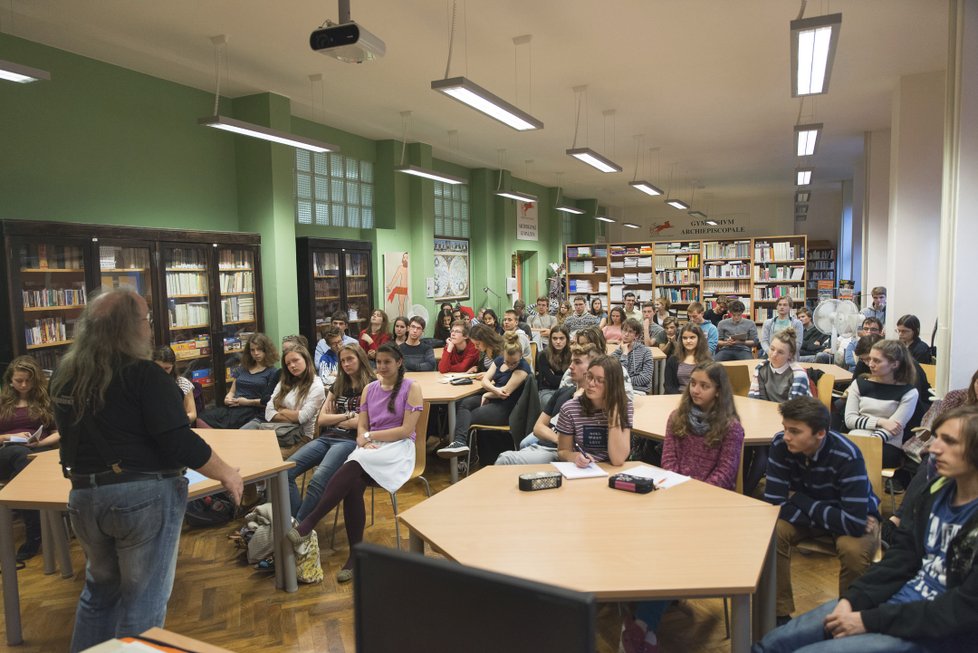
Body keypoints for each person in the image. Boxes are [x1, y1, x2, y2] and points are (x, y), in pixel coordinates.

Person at [50, 288, 242, 652]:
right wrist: (227, 473)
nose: (150, 328)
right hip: (142, 498)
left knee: (98, 593)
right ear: (127, 328)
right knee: (144, 601)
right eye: (145, 320)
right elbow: (180, 441)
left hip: (83, 497)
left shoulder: (64, 375)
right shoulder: (144, 375)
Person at [754, 405, 978, 653]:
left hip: (936, 630)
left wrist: (867, 620)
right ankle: (781, 613)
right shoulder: (936, 491)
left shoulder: (847, 455)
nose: (932, 448)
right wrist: (853, 600)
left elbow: (962, 609)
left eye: (948, 441)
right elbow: (901, 558)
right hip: (894, 603)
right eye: (936, 438)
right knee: (771, 644)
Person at [626, 360, 743, 652]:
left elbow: (725, 476)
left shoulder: (731, 428)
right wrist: (678, 492)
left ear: (718, 391)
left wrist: (692, 496)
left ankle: (643, 625)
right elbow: (668, 462)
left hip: (710, 509)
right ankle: (640, 622)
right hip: (673, 499)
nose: (696, 390)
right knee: (635, 536)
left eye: (704, 385)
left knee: (669, 549)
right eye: (693, 384)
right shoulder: (676, 417)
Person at [288, 343, 424, 583]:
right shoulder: (370, 389)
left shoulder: (412, 387)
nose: (381, 367)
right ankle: (355, 555)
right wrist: (362, 436)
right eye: (379, 362)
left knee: (352, 468)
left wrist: (369, 436)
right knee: (352, 484)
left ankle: (309, 523)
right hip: (372, 446)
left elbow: (405, 431)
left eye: (387, 362)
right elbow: (363, 423)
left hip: (398, 449)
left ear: (399, 362)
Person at [762, 396, 880, 627]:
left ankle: (847, 618)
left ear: (820, 433)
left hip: (846, 516)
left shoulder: (847, 455)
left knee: (854, 552)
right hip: (835, 515)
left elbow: (855, 524)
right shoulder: (780, 445)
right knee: (771, 532)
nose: (786, 436)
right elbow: (774, 503)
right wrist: (834, 517)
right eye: (785, 428)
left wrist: (799, 499)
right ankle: (779, 615)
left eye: (795, 431)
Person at [286, 344, 374, 520]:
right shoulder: (339, 383)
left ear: (360, 359)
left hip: (350, 441)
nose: (346, 364)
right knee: (285, 472)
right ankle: (296, 522)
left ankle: (299, 528)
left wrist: (339, 417)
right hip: (328, 436)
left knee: (318, 480)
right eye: (342, 361)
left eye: (350, 359)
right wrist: (348, 416)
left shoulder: (372, 385)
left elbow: (367, 422)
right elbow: (322, 420)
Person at [0, 355, 60, 562]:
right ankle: (37, 531)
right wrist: (8, 436)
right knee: (20, 454)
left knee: (27, 458)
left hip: (38, 451)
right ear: (10, 380)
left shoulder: (45, 401)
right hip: (6, 452)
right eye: (19, 380)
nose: (24, 385)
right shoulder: (2, 402)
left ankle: (34, 533)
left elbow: (58, 432)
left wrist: (40, 443)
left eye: (28, 380)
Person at [497, 342, 594, 466]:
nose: (571, 367)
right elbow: (538, 428)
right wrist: (560, 440)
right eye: (571, 362)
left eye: (577, 362)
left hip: (558, 452)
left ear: (592, 368)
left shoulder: (593, 399)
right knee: (509, 457)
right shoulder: (562, 393)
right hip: (546, 446)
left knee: (505, 459)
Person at [438, 332, 530, 460]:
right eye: (507, 362)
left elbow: (505, 393)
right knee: (465, 403)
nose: (510, 366)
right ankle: (459, 443)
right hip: (494, 399)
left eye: (513, 363)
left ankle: (466, 455)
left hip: (508, 408)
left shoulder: (523, 367)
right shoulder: (498, 360)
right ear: (503, 354)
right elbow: (485, 380)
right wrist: (493, 391)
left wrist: (488, 393)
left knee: (469, 416)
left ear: (520, 356)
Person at [745, 327, 812, 494]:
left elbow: (793, 410)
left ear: (790, 355)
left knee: (762, 452)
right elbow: (753, 399)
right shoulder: (761, 368)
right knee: (743, 444)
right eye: (772, 349)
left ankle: (746, 492)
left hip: (794, 424)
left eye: (780, 352)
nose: (774, 354)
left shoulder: (797, 374)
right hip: (765, 421)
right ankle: (739, 487)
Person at [844, 339, 919, 474]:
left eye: (877, 361)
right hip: (857, 438)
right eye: (870, 359)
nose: (870, 364)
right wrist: (881, 421)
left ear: (895, 364)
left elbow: (894, 428)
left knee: (855, 457)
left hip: (887, 443)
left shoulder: (909, 392)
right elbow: (849, 420)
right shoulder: (859, 384)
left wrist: (870, 443)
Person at [556, 355, 632, 467]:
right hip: (583, 470)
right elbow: (562, 452)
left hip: (612, 470)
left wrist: (614, 413)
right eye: (589, 377)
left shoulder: (624, 407)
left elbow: (618, 460)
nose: (591, 384)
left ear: (613, 385)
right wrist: (575, 457)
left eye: (600, 380)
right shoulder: (569, 409)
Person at [243, 345, 326, 443]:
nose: (292, 366)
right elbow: (268, 412)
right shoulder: (284, 382)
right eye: (288, 364)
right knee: (242, 442)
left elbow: (302, 418)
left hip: (301, 436)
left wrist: (280, 409)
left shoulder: (316, 385)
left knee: (260, 453)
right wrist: (293, 416)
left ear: (306, 360)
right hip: (277, 429)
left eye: (296, 360)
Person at [198, 333, 279, 428]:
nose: (256, 353)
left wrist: (247, 402)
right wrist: (228, 398)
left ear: (267, 351)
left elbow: (269, 402)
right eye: (252, 350)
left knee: (229, 424)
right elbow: (232, 391)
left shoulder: (272, 372)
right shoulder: (243, 368)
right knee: (202, 417)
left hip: (252, 409)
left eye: (259, 349)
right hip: (233, 407)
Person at [151, 345, 197, 424]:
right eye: (158, 367)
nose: (162, 372)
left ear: (173, 366)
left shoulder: (182, 383)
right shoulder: (147, 384)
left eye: (167, 368)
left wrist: (175, 421)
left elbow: (192, 414)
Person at [664, 323, 711, 394]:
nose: (688, 341)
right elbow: (668, 386)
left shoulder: (707, 361)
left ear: (699, 339)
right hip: (677, 396)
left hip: (700, 397)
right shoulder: (673, 359)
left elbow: (709, 386)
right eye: (685, 338)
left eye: (692, 337)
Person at [613, 318, 655, 395]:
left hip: (638, 391)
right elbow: (615, 376)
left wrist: (624, 380)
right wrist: (624, 354)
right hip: (619, 390)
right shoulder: (616, 353)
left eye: (630, 332)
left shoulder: (646, 352)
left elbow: (645, 378)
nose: (626, 334)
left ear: (636, 335)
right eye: (624, 330)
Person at [536, 324, 570, 405]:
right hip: (547, 390)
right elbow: (551, 381)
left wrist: (556, 377)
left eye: (561, 338)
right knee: (550, 402)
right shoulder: (543, 355)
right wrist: (566, 376)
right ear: (550, 339)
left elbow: (574, 379)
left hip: (567, 389)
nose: (558, 342)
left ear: (567, 339)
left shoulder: (572, 354)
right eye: (555, 338)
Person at [385, 252, 409, 317]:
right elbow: (395, 277)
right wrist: (390, 286)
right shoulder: (400, 267)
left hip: (409, 288)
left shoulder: (410, 268)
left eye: (406, 257)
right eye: (404, 257)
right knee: (401, 304)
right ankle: (401, 317)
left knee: (409, 303)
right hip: (402, 288)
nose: (405, 259)